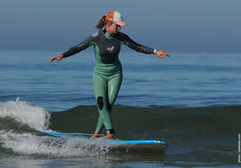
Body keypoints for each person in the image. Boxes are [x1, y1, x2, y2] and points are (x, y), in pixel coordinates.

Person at [50, 11, 169, 139]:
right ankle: (109, 132)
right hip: (99, 74)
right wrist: (62, 55)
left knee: (108, 105)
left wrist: (155, 51)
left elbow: (138, 47)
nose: (119, 28)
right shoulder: (95, 37)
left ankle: (97, 134)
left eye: (120, 25)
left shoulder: (121, 37)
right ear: (108, 23)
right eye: (117, 25)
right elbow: (78, 47)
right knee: (101, 102)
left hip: (115, 74)